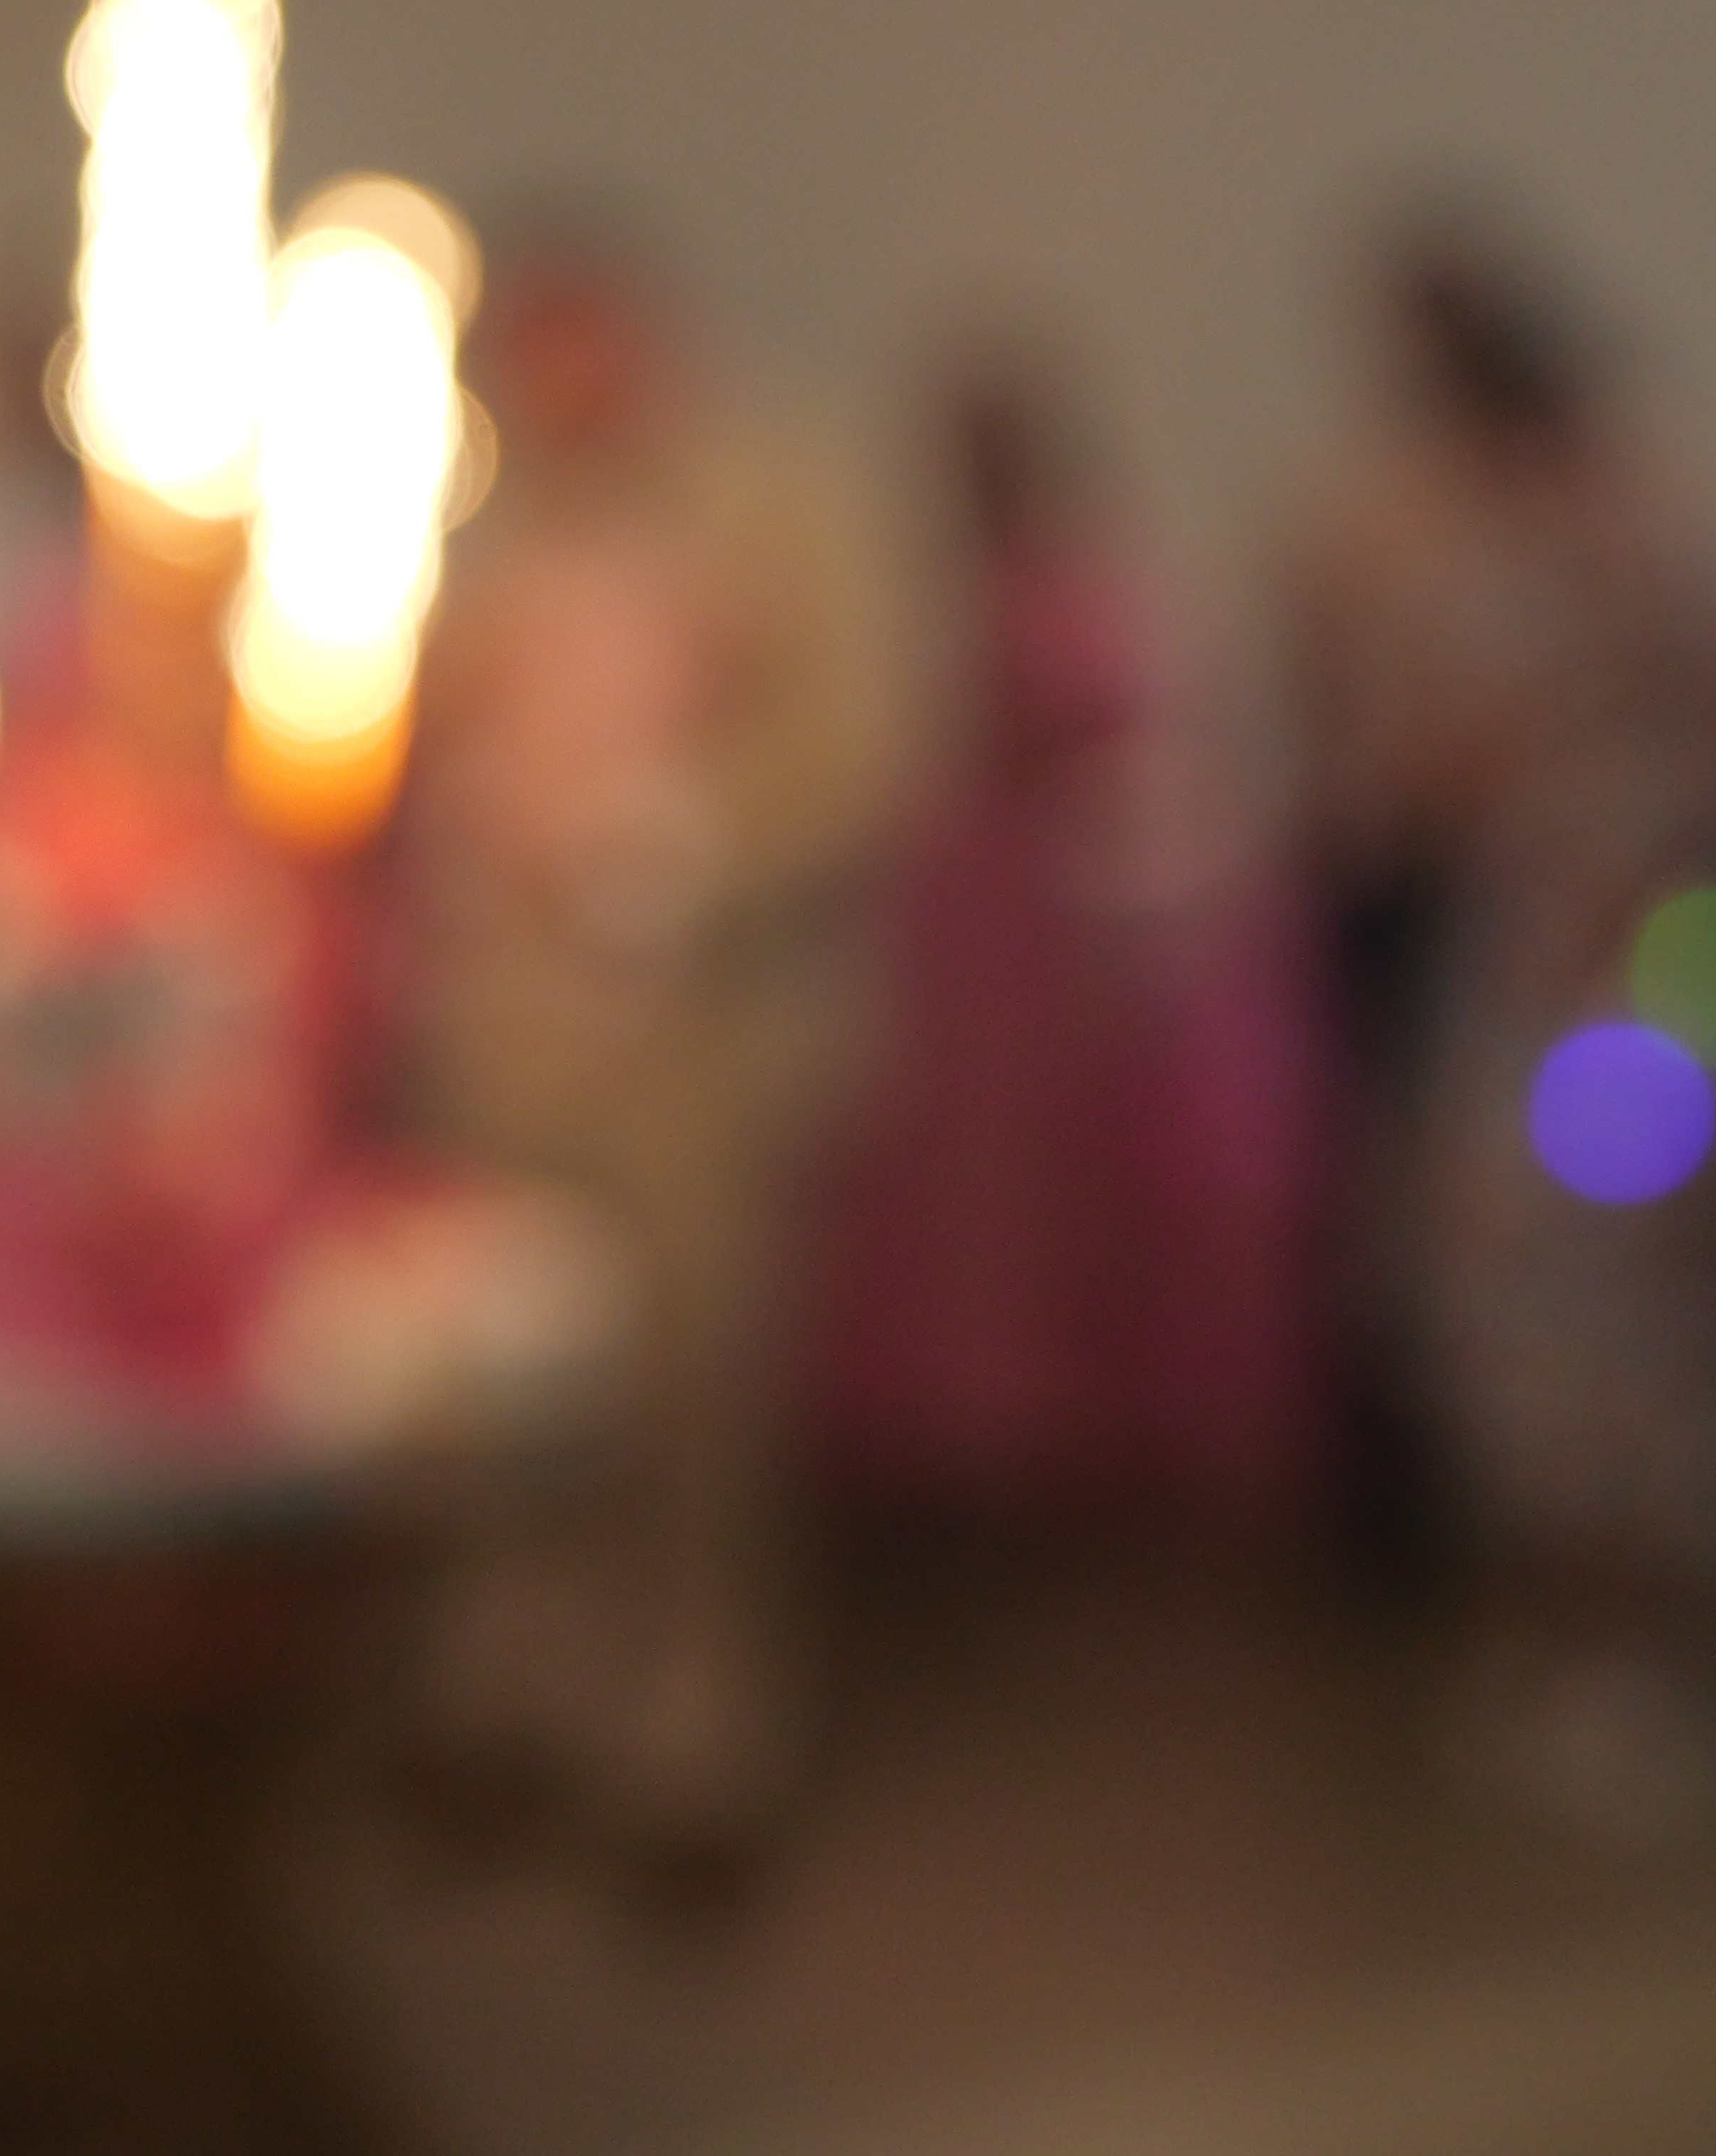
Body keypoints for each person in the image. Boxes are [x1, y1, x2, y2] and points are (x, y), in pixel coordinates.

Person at [394, 223, 911, 1890]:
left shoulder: (773, 503)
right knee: (504, 1374)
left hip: (702, 1035)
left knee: (692, 1387)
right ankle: (516, 1687)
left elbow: (857, 744)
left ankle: (694, 1723)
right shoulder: (471, 522)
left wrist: (671, 842)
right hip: (508, 1026)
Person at [1282, 207, 1716, 1834]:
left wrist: (1642, 902)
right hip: (1507, 959)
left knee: (1646, 1303)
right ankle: (1553, 1625)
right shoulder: (1416, 541)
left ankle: (1660, 1649)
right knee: (1499, 1299)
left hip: (1654, 965)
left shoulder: (1653, 524)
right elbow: (1395, 770)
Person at [808, 341, 1322, 1529]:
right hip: (979, 955)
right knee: (979, 1210)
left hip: (1055, 943)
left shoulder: (1091, 589)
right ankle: (986, 1444)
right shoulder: (966, 592)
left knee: (1077, 1202)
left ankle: (1078, 1454)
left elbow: (1132, 756)